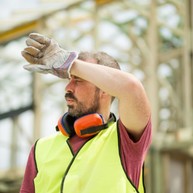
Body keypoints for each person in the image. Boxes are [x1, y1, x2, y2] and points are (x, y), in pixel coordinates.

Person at [20, 33, 152, 193]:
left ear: (105, 88)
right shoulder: (40, 149)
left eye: (78, 80)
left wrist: (68, 63)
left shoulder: (125, 142)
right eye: (68, 78)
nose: (68, 87)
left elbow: (132, 88)